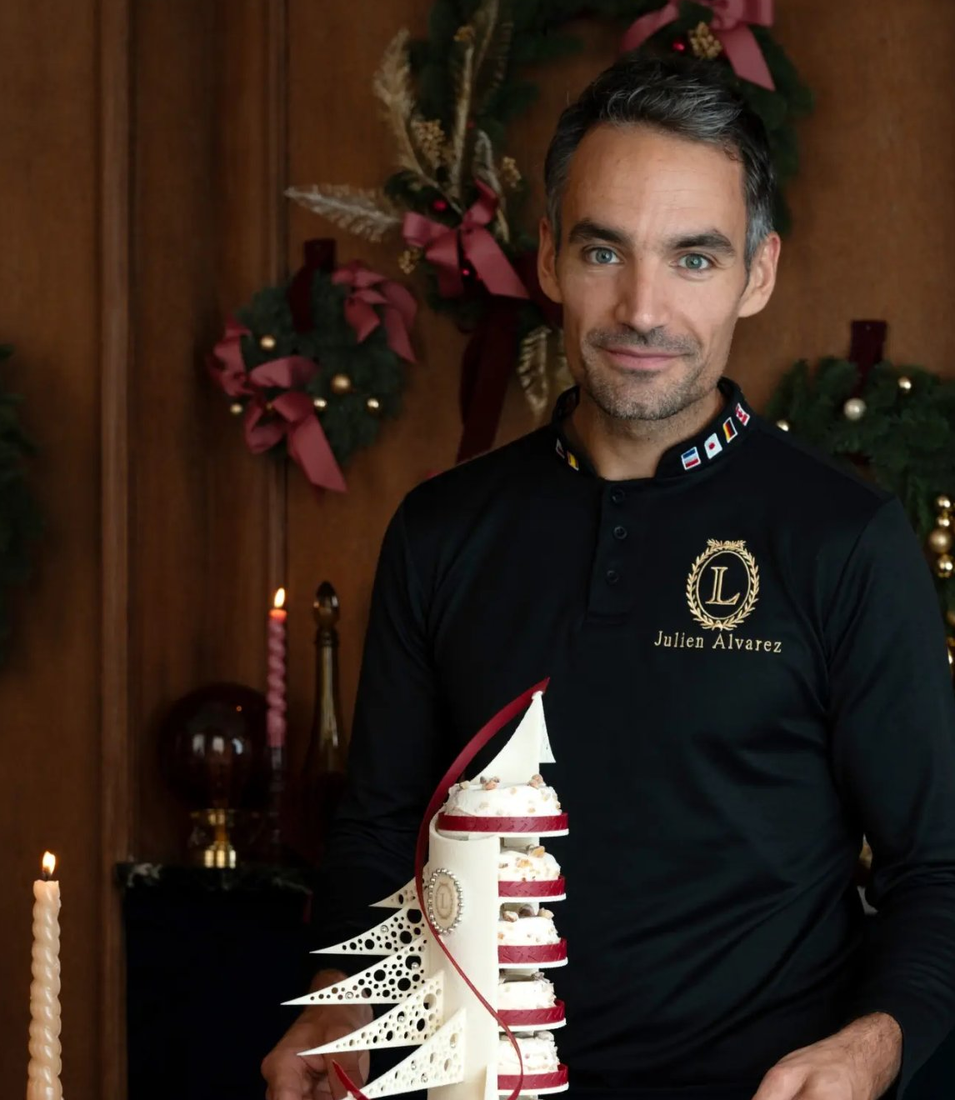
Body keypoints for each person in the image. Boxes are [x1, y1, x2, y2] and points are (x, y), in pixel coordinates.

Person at [263, 55, 955, 1100]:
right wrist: (340, 996)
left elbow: (935, 868)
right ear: (548, 256)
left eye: (693, 257)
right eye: (603, 250)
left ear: (758, 273)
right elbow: (380, 828)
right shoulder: (441, 530)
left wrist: (868, 1048)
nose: (641, 308)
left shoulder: (844, 539)